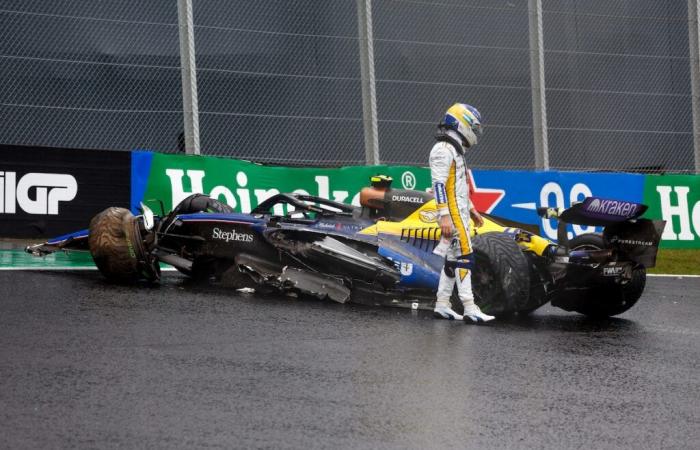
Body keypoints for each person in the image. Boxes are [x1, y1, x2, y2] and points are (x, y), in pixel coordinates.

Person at [429, 103, 495, 323]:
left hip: (459, 211)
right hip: (453, 214)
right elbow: (438, 185)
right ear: (461, 124)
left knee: (453, 258)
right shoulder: (443, 150)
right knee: (466, 256)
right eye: (473, 128)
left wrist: (473, 210)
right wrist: (444, 215)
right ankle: (469, 307)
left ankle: (442, 304)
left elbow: (458, 189)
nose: (475, 134)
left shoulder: (453, 150)